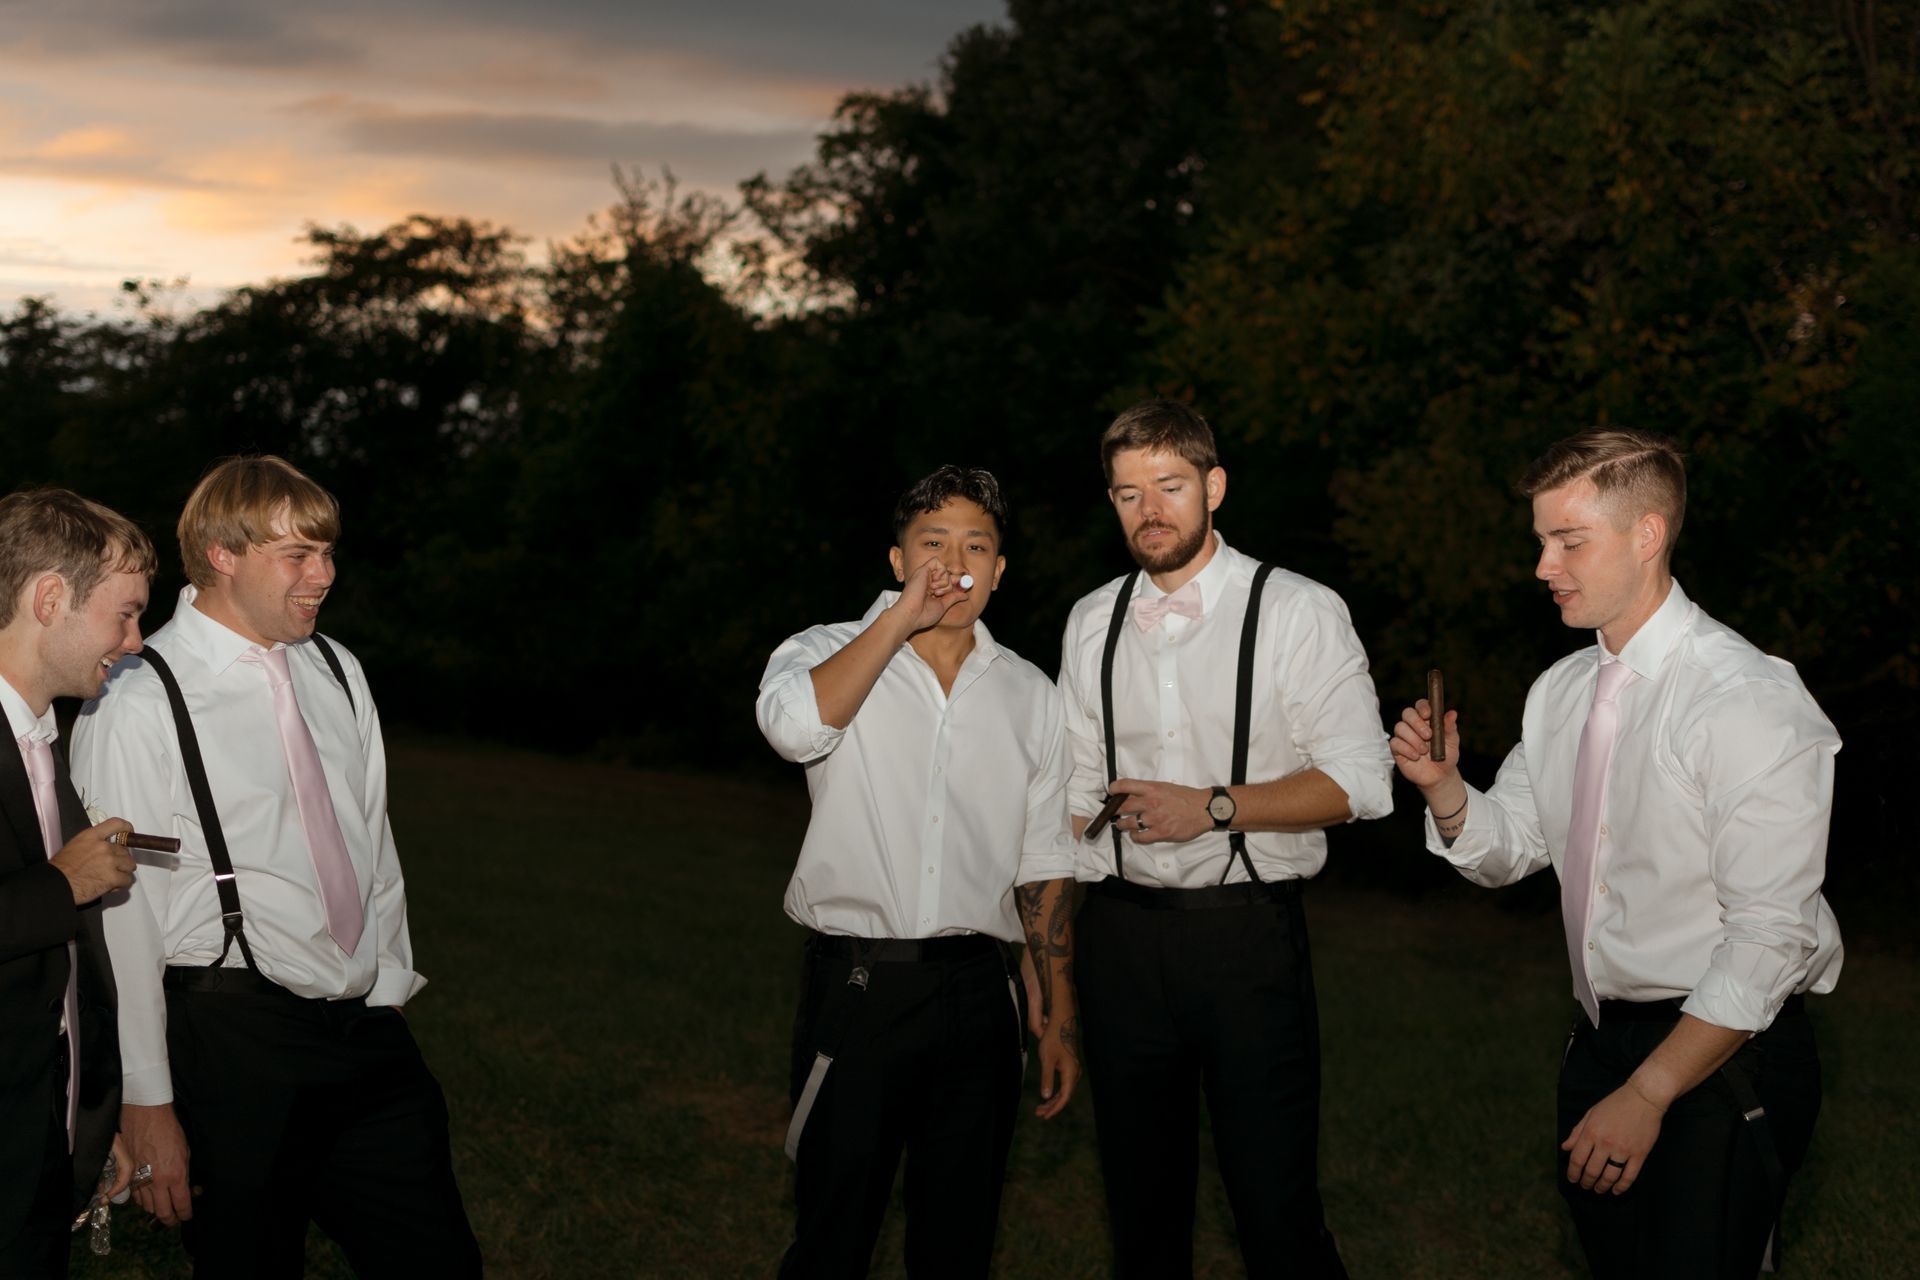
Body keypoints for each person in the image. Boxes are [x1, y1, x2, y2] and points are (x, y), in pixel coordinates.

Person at [1390, 429, 1839, 1279]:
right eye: (1540, 542)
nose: (1543, 566)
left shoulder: (1745, 699)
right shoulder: (1563, 691)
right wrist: (1445, 789)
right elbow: (1513, 845)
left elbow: (1770, 938)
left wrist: (1649, 1093)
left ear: (1647, 535)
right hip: (1598, 1045)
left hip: (1726, 1051)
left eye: (1568, 541)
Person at [70, 457, 481, 1279]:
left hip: (363, 1030)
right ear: (222, 554)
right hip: (229, 1038)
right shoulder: (140, 697)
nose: (323, 576)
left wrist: (388, 984)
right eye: (298, 556)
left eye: (327, 553)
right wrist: (148, 1101)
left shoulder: (336, 668)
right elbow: (123, 918)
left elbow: (372, 842)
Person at [1058, 400, 1392, 1279]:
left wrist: (1214, 807)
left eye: (1169, 486)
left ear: (1214, 486)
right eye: (1128, 494)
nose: (1149, 511)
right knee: (1140, 1214)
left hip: (1246, 937)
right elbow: (1071, 806)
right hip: (1119, 938)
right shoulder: (1090, 620)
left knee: (1275, 1210)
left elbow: (1362, 783)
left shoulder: (1298, 610)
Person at [755, 465, 1080, 1279]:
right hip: (858, 984)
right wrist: (902, 621)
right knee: (834, 1232)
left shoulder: (1031, 694)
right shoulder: (823, 650)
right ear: (898, 560)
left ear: (1001, 569)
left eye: (977, 545)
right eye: (932, 544)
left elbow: (1045, 857)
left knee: (959, 1241)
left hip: (979, 992)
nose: (954, 564)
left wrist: (1057, 1001)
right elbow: (793, 731)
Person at [0, 489, 150, 1276]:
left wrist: (84, 1122)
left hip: (37, 1146)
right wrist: (64, 885)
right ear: (50, 598)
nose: (134, 640)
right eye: (123, 614)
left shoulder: (45, 743)